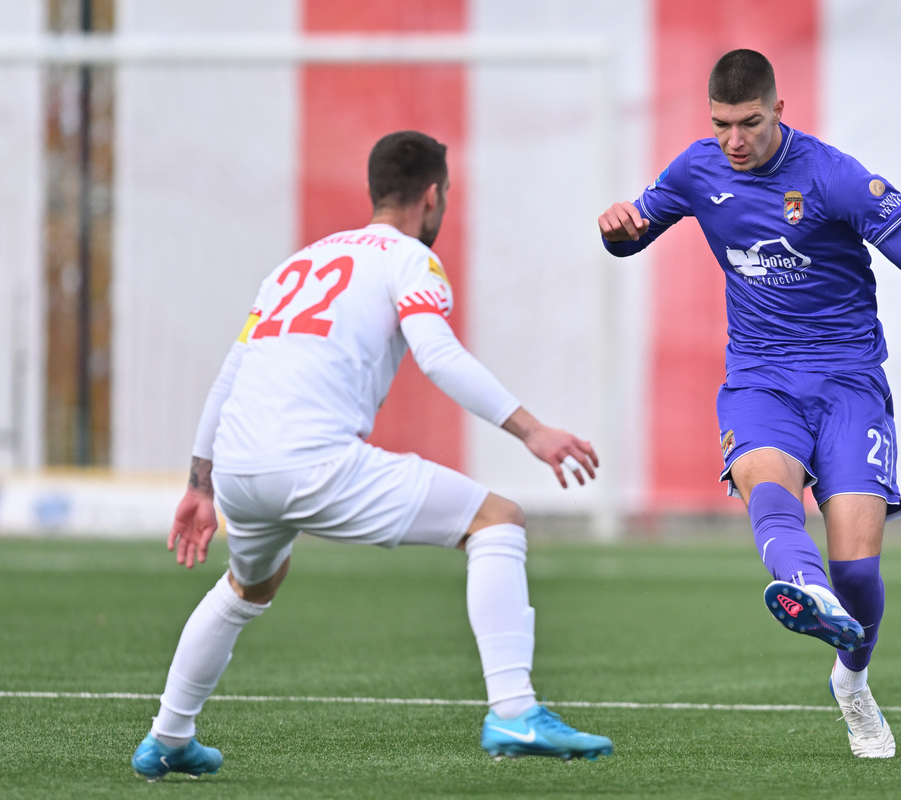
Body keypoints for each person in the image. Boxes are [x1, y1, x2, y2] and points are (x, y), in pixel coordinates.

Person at [131, 131, 613, 781]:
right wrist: (532, 431)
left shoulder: (295, 265)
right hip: (314, 463)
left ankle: (168, 738)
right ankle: (514, 710)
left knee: (250, 584)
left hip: (241, 469)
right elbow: (437, 355)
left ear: (375, 190)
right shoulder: (409, 259)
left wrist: (201, 483)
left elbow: (229, 375)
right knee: (496, 520)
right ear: (434, 195)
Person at [598, 50, 901, 759]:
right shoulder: (697, 169)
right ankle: (805, 592)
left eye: (749, 123)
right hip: (759, 380)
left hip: (848, 385)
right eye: (721, 124)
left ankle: (851, 679)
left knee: (859, 570)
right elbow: (632, 238)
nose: (734, 141)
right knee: (768, 489)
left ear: (780, 109)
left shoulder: (837, 178)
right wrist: (615, 229)